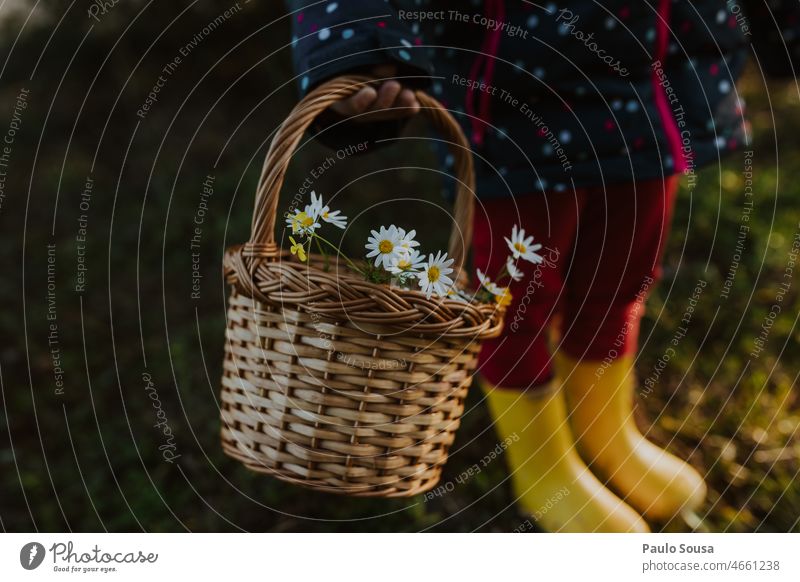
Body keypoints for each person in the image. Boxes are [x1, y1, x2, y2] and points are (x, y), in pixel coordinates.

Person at [285, 1, 799, 531]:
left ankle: (606, 434)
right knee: (514, 300)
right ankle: (545, 469)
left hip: (655, 89)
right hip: (519, 103)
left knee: (620, 276)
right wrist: (352, 47)